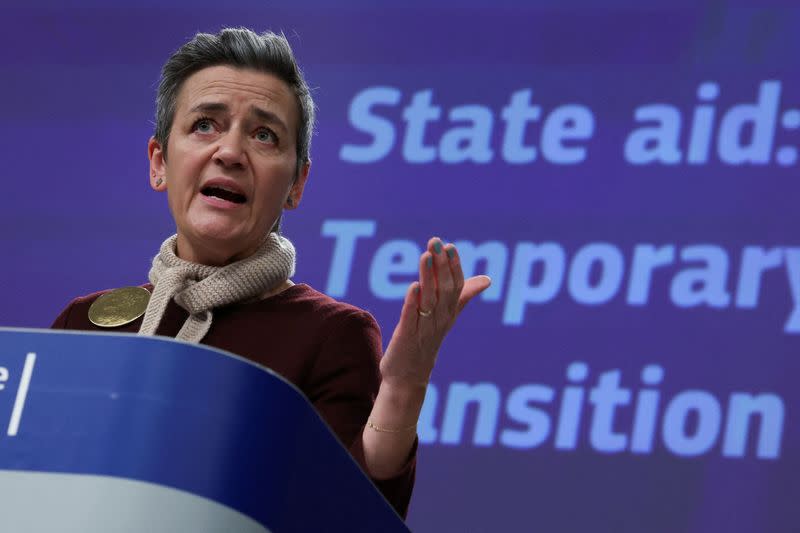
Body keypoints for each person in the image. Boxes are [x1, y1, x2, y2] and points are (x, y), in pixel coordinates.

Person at [51, 27, 490, 519]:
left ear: (297, 183)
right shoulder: (83, 323)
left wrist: (404, 388)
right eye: (205, 125)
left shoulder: (331, 335)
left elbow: (347, 517)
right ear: (159, 163)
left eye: (264, 135)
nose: (231, 152)